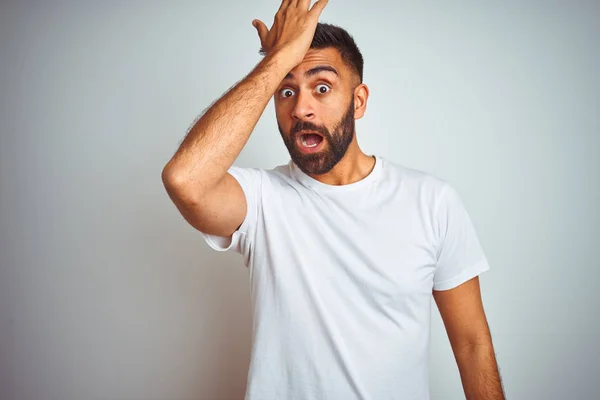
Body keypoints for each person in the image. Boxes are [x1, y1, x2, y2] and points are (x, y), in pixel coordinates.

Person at [162, 1, 505, 398]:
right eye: (286, 92)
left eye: (322, 87)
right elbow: (185, 180)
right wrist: (278, 60)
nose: (301, 109)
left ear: (358, 101)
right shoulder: (260, 200)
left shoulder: (432, 202)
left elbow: (472, 344)